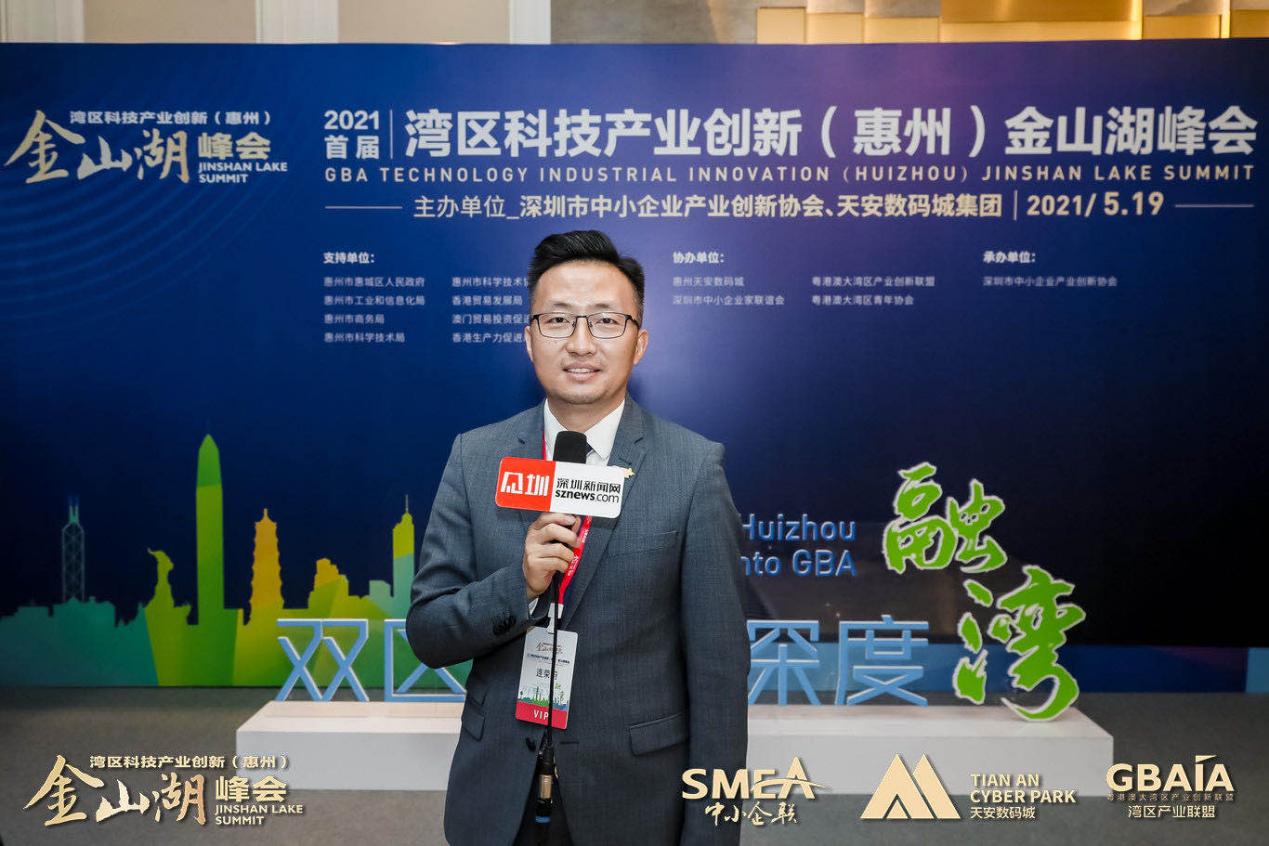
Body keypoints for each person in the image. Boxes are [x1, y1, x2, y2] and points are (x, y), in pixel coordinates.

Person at [407, 230, 749, 845]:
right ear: (529, 338)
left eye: (606, 321)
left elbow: (719, 678)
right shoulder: (475, 458)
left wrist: (713, 833)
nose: (581, 343)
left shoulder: (692, 469)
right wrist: (519, 585)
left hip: (635, 802)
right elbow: (429, 632)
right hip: (497, 800)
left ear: (640, 342)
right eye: (559, 320)